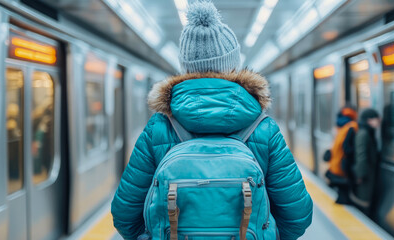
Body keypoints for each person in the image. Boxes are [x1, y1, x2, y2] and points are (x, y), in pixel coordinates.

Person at [111, 1, 312, 240]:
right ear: (233, 65)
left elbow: (125, 214)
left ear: (185, 67)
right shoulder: (263, 128)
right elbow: (297, 215)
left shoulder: (159, 127)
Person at [324, 106, 358, 204]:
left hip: (335, 164)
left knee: (341, 192)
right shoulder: (351, 127)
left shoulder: (340, 127)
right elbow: (347, 148)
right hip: (343, 165)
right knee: (344, 195)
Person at [350, 108, 380, 217]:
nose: (379, 121)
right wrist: (360, 175)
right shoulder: (363, 134)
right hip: (364, 177)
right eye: (376, 118)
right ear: (369, 120)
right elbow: (361, 155)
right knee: (363, 202)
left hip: (367, 175)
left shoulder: (368, 132)